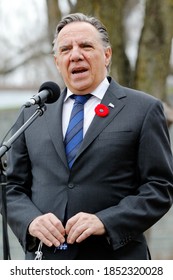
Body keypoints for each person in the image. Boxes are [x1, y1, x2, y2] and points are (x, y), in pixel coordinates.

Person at [5, 12, 173, 260]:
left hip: (117, 261)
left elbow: (160, 188)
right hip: (48, 263)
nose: (75, 55)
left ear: (107, 55)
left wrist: (105, 221)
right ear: (57, 61)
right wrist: (30, 221)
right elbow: (11, 187)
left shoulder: (144, 109)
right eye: (65, 49)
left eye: (85, 46)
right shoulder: (34, 112)